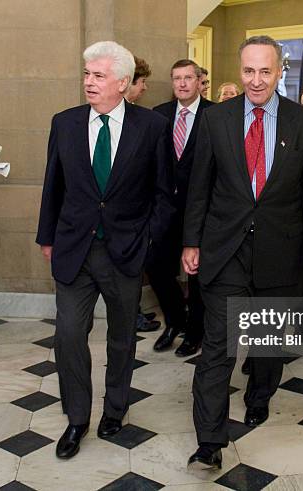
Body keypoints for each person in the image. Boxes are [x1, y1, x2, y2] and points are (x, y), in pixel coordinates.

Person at [182, 35, 303, 469]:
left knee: (268, 343)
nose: (255, 80)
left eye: (264, 71)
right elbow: (199, 189)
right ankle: (209, 441)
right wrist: (191, 241)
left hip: (282, 251)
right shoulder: (215, 120)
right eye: (248, 70)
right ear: (239, 70)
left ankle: (259, 395)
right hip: (225, 249)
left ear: (279, 71)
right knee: (219, 345)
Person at [36, 41, 174, 460]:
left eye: (98, 76)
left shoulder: (150, 127)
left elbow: (164, 193)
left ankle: (115, 408)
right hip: (74, 250)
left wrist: (148, 239)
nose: (88, 83)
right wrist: (47, 237)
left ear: (122, 82)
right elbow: (52, 186)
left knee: (121, 338)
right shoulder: (65, 123)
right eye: (86, 74)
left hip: (125, 251)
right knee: (69, 336)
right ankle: (77, 418)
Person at [148, 60, 214, 356]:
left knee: (197, 275)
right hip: (165, 211)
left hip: (202, 212)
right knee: (157, 268)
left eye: (189, 78)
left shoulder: (216, 115)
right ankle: (175, 320)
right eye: (177, 78)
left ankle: (196, 331)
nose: (183, 84)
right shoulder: (159, 115)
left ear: (200, 81)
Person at [124, 55, 161, 333]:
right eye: (142, 82)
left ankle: (133, 312)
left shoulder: (148, 122)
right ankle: (129, 315)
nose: (145, 88)